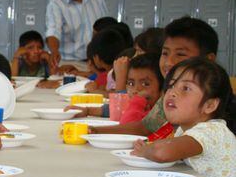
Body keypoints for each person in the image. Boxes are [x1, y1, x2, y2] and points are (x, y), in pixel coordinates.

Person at [89, 16, 220, 136]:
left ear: (208, 59)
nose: (169, 62)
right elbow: (145, 127)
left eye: (180, 54)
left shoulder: (211, 99)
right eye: (165, 53)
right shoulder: (169, 91)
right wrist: (95, 131)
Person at [132, 58, 236, 177]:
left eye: (186, 88)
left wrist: (145, 151)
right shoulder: (184, 129)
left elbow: (163, 152)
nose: (172, 93)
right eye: (171, 85)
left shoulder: (213, 131)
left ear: (210, 105)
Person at [46, 0, 108, 70]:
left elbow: (107, 27)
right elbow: (53, 32)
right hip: (70, 65)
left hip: (97, 64)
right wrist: (54, 51)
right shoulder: (56, 4)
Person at [66, 53, 163, 123]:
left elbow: (128, 125)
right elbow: (114, 110)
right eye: (130, 83)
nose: (136, 90)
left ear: (162, 87)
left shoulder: (160, 113)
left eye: (145, 84)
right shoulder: (140, 104)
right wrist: (87, 111)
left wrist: (94, 130)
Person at [84, 28, 127, 95]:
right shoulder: (114, 72)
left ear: (97, 58)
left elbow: (117, 95)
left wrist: (95, 91)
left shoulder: (116, 73)